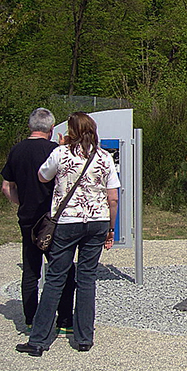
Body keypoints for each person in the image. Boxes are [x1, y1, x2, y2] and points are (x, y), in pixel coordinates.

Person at [16, 112, 119, 356]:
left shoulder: (60, 153)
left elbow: (42, 176)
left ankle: (39, 340)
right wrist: (110, 228)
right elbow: (113, 197)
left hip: (67, 221)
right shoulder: (104, 157)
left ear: (70, 131)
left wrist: (62, 148)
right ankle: (84, 337)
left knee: (55, 278)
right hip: (97, 221)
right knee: (87, 279)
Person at [1, 108, 75, 336]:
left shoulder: (17, 150)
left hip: (27, 218)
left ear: (30, 127)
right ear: (52, 129)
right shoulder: (56, 151)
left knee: (31, 270)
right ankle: (64, 320)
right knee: (63, 269)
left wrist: (21, 203)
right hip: (53, 220)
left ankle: (31, 319)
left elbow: (6, 186)